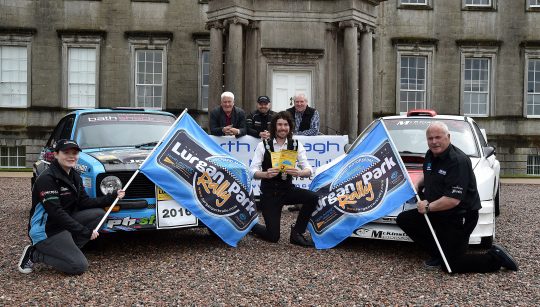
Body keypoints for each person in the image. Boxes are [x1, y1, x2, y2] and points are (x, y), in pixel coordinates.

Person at [396, 122, 518, 273]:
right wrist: (417, 183)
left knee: (452, 265)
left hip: (459, 217)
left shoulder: (457, 161)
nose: (434, 141)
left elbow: (453, 200)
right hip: (439, 211)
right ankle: (440, 253)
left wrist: (427, 207)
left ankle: (496, 258)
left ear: (448, 137)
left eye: (438, 137)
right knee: (404, 219)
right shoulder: (430, 154)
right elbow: (428, 172)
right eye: (430, 138)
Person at [18, 139, 125, 275]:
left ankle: (68, 250)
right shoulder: (47, 179)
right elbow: (56, 213)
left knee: (99, 214)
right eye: (66, 152)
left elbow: (84, 202)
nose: (71, 156)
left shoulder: (74, 175)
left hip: (64, 224)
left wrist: (112, 197)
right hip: (47, 230)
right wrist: (85, 232)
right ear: (56, 154)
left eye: (74, 153)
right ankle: (35, 254)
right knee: (78, 266)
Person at [249, 111, 318, 247]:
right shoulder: (263, 145)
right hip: (269, 194)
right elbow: (252, 171)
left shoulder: (296, 145)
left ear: (290, 127)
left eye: (285, 125)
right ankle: (252, 226)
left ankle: (297, 233)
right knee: (273, 237)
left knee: (313, 197)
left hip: (287, 190)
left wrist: (299, 173)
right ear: (274, 127)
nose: (282, 128)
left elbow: (309, 170)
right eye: (279, 124)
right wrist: (265, 174)